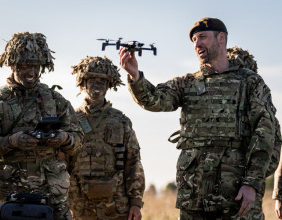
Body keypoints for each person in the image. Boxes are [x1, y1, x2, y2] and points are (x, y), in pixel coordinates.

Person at [119, 17, 277, 219]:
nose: (197, 44)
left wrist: (252, 183)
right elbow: (155, 100)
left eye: (202, 37)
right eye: (194, 40)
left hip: (236, 192)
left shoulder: (250, 82)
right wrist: (135, 76)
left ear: (221, 38)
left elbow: (264, 133)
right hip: (194, 192)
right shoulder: (188, 83)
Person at [0, 32, 82, 219]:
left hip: (52, 195)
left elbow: (78, 140)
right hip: (10, 195)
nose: (32, 72)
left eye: (36, 66)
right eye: (26, 65)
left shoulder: (55, 99)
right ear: (13, 65)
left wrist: (63, 138)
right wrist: (12, 141)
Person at [68, 56, 145, 220]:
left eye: (102, 81)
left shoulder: (121, 121)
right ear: (83, 83)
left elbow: (133, 162)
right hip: (79, 207)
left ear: (109, 85)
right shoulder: (70, 120)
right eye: (92, 80)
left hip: (116, 207)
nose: (97, 85)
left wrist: (136, 203)